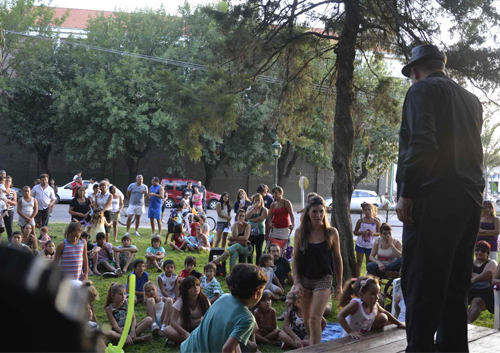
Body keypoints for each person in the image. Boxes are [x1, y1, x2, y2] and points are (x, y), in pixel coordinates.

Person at [396, 44, 484, 351]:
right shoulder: (472, 100)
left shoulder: (421, 91)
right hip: (468, 203)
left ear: (416, 71)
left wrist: (407, 193)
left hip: (432, 202)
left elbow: (422, 144)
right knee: (454, 290)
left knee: (422, 287)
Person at [291, 196, 343, 346]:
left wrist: (339, 284)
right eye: (314, 211)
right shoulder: (300, 232)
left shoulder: (331, 232)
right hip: (304, 279)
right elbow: (295, 259)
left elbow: (338, 259)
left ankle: (315, 350)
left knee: (314, 319)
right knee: (308, 320)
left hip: (324, 279)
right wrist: (296, 282)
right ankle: (316, 342)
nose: (318, 215)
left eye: (321, 211)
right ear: (308, 212)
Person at [180, 264, 267, 353]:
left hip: (187, 348)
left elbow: (232, 341)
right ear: (256, 293)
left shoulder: (223, 298)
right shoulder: (247, 319)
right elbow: (227, 349)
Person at [337, 276, 405, 339]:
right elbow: (340, 316)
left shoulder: (375, 305)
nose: (377, 297)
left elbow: (385, 312)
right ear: (361, 295)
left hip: (364, 335)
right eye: (373, 294)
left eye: (378, 293)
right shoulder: (356, 304)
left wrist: (399, 324)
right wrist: (350, 332)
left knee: (383, 316)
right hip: (351, 337)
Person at [162, 275, 211, 345]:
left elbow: (210, 316)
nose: (196, 288)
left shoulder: (205, 300)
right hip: (184, 328)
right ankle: (193, 340)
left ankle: (183, 341)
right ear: (186, 289)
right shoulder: (181, 301)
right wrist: (185, 334)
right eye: (192, 286)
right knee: (167, 330)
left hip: (199, 327)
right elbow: (173, 321)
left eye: (197, 285)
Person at [467, 241, 498, 323]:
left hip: (484, 292)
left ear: (488, 253)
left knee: (477, 301)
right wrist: (481, 276)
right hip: (469, 290)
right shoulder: (470, 262)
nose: (479, 252)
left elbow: (489, 273)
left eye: (483, 250)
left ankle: (467, 323)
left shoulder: (491, 262)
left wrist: (474, 278)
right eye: (477, 249)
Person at [353, 202, 381, 278]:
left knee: (369, 263)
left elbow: (379, 233)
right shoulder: (360, 221)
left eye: (369, 210)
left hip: (371, 245)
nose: (367, 211)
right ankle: (357, 278)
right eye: (365, 210)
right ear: (363, 211)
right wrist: (362, 232)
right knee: (359, 262)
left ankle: (368, 279)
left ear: (372, 210)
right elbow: (355, 232)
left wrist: (373, 234)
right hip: (360, 244)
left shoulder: (376, 221)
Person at [268, 186, 295, 251]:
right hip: (275, 229)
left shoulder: (286, 202)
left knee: (283, 248)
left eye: (276, 193)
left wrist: (293, 224)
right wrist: (270, 223)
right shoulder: (273, 205)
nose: (274, 194)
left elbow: (291, 214)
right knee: (274, 247)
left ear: (281, 193)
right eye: (273, 193)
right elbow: (270, 217)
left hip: (285, 229)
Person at [246, 193, 268, 265]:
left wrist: (251, 219)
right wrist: (253, 208)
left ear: (261, 201)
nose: (257, 202)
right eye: (255, 200)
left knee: (259, 250)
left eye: (258, 200)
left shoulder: (264, 209)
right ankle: (250, 265)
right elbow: (247, 216)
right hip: (250, 232)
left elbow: (261, 218)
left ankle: (258, 265)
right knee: (250, 249)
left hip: (260, 232)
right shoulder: (250, 208)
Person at [3, 176, 17, 242]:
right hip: (1, 211)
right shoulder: (1, 190)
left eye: (9, 181)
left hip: (9, 211)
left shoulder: (13, 191)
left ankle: (11, 243)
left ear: (11, 182)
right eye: (6, 180)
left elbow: (14, 203)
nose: (7, 182)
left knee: (9, 228)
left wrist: (7, 201)